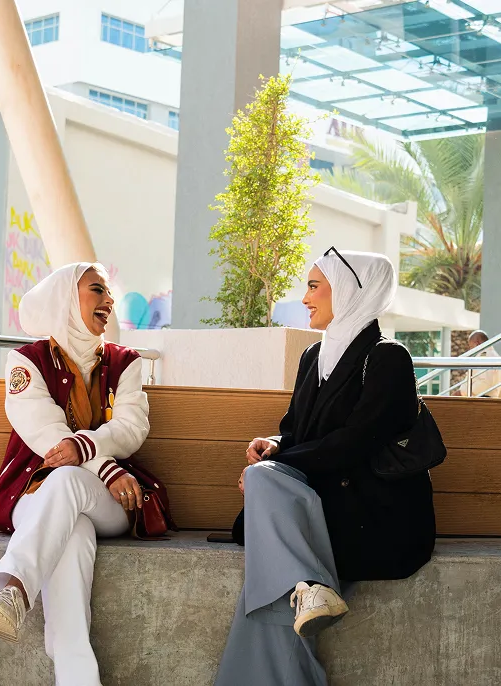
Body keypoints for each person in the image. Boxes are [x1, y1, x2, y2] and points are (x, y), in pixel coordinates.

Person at [214, 248, 437, 686]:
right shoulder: (314, 357)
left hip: (374, 518)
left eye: (315, 286)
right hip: (325, 505)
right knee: (286, 593)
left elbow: (354, 442)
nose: (305, 297)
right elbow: (297, 431)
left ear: (351, 291)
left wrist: (272, 469)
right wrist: (274, 446)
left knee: (271, 581)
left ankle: (304, 588)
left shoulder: (388, 358)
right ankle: (309, 589)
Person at [0, 263, 150, 686]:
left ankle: (13, 585)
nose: (109, 301)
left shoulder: (124, 363)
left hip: (109, 499)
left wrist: (92, 457)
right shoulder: (26, 362)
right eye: (97, 291)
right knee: (71, 535)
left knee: (70, 481)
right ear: (67, 299)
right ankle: (78, 675)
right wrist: (106, 466)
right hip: (36, 496)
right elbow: (47, 434)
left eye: (110, 293)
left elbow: (132, 428)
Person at [462, 329, 501, 398]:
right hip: (494, 399)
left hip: (482, 399)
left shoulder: (483, 357)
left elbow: (484, 383)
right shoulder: (497, 357)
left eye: (471, 346)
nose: (471, 350)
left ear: (477, 343)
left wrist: (463, 391)